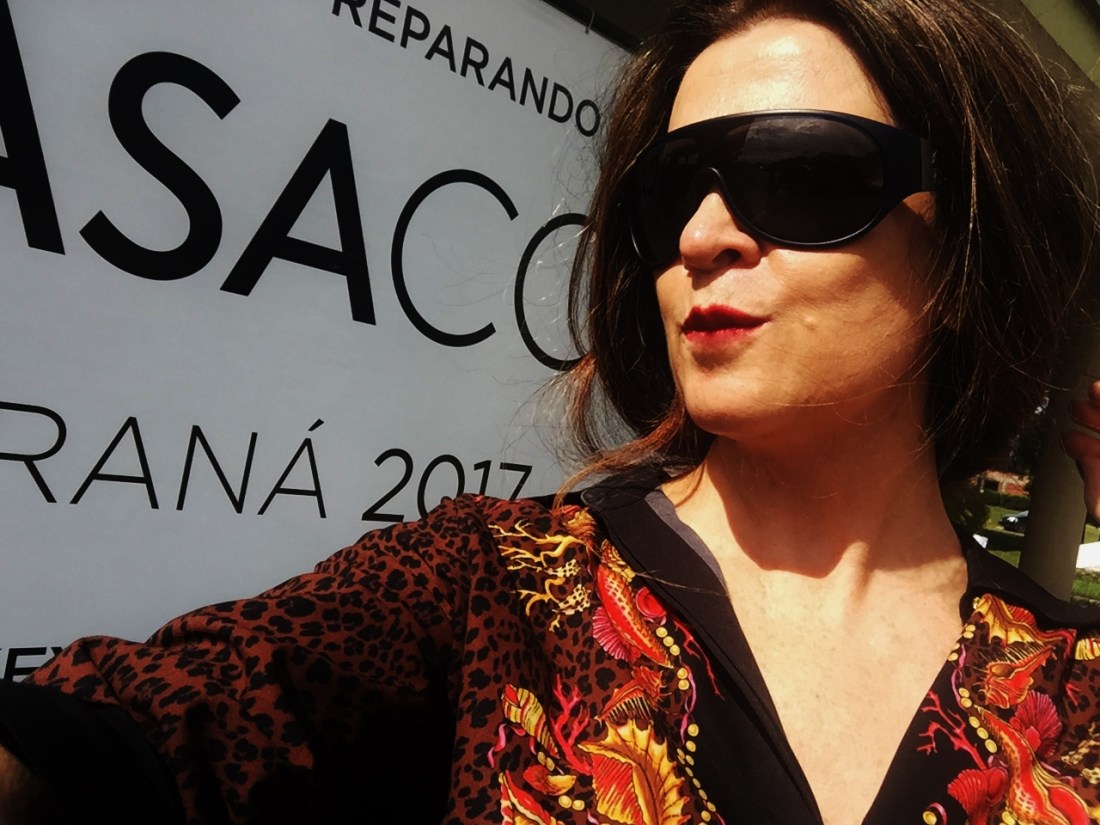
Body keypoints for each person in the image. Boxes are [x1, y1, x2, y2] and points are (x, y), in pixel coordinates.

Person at [2, 0, 1100, 823]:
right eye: (671, 190)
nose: (701, 236)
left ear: (971, 240)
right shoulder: (491, 590)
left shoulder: (1076, 683)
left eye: (802, 174)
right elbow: (128, 739)